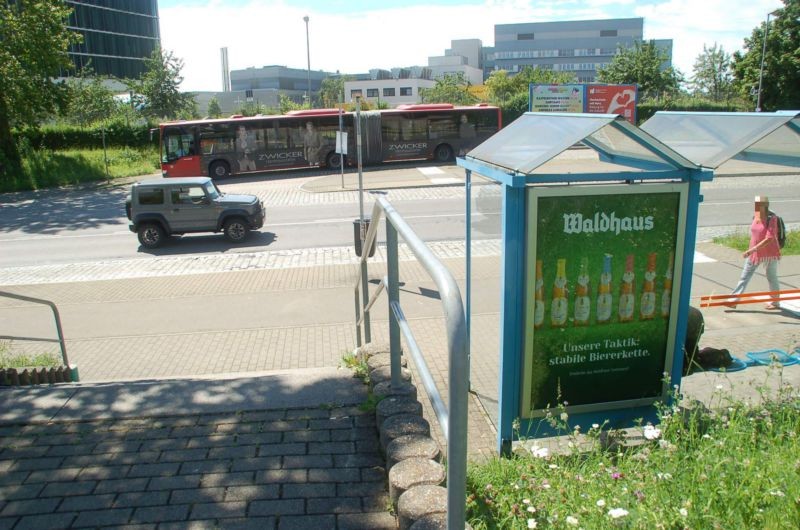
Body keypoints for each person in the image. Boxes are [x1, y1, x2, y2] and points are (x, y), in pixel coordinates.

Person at [727, 195, 782, 309]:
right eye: (756, 204)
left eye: (760, 204)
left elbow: (769, 238)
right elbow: (754, 234)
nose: (757, 206)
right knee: (744, 276)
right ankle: (733, 300)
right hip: (754, 254)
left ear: (766, 205)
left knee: (771, 277)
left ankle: (775, 302)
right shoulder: (755, 216)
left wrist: (751, 250)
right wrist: (751, 250)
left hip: (769, 254)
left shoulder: (772, 218)